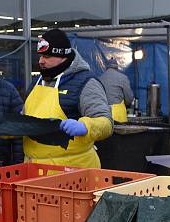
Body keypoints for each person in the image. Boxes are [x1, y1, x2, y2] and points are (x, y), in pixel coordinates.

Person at [10, 28, 112, 168]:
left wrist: (86, 126)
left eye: (46, 57)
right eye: (40, 56)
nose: (41, 61)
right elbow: (26, 119)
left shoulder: (86, 82)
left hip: (72, 172)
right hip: (33, 170)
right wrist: (7, 127)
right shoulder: (37, 82)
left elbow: (106, 123)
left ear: (63, 56)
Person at [99, 57, 134, 123]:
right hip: (118, 116)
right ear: (117, 67)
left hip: (103, 115)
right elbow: (129, 99)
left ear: (106, 67)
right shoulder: (123, 78)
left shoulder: (100, 78)